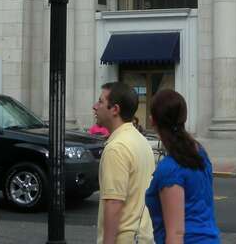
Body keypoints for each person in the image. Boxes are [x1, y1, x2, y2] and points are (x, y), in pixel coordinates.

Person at [145, 89, 220, 244]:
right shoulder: (199, 153)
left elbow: (176, 234)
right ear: (183, 118)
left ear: (152, 120)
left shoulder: (169, 169)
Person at [93, 82, 156, 244]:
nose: (95, 106)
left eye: (100, 102)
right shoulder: (140, 141)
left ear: (115, 109)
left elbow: (114, 202)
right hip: (143, 236)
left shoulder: (116, 148)